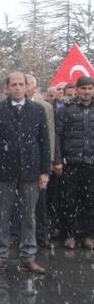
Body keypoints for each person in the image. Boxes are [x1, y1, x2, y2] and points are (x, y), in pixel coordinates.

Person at [0, 72, 51, 274]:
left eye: (22, 84)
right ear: (7, 87)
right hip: (4, 173)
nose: (18, 88)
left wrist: (44, 171)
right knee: (3, 216)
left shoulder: (37, 110)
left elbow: (44, 142)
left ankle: (28, 257)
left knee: (29, 216)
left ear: (27, 87)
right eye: (14, 84)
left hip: (30, 171)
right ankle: (0, 256)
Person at [54, 76, 94, 250]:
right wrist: (57, 160)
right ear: (77, 90)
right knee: (69, 200)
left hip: (91, 162)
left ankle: (87, 235)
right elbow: (58, 136)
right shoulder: (66, 110)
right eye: (83, 88)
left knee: (90, 201)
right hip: (70, 162)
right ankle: (70, 234)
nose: (87, 92)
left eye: (90, 88)